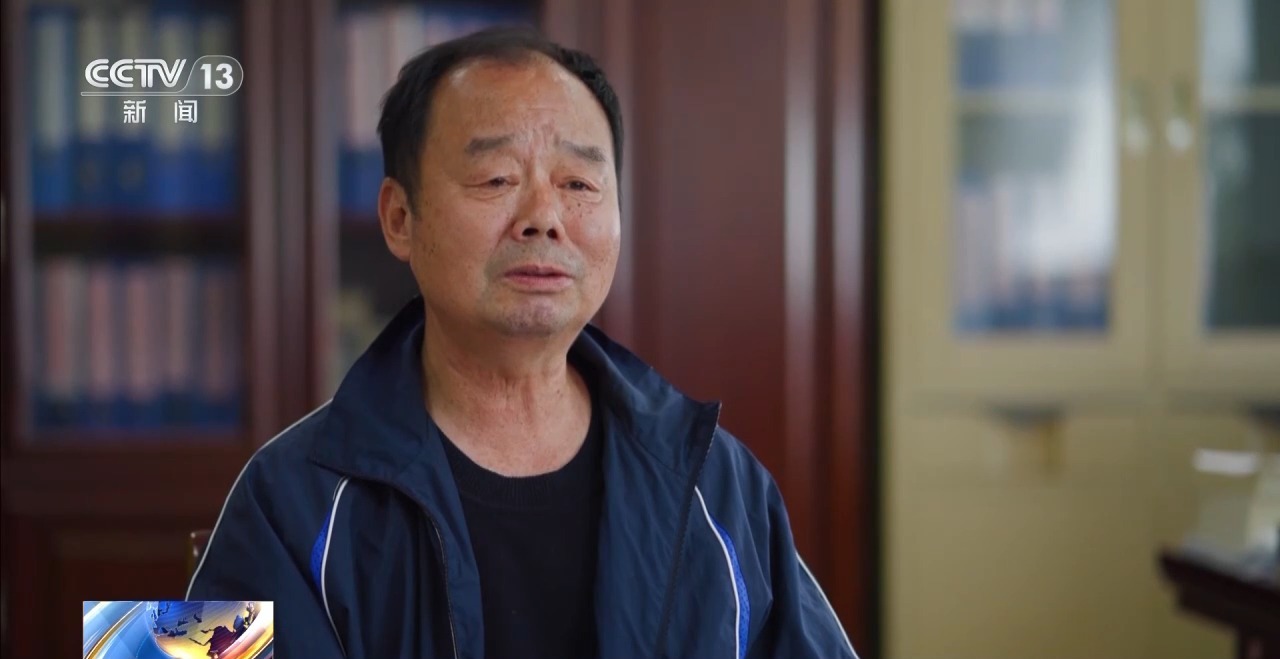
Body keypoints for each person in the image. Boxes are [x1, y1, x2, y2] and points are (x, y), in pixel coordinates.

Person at [186, 26, 857, 659]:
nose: (543, 218)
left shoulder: (715, 479)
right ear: (399, 217)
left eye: (578, 184)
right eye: (497, 180)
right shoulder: (284, 496)